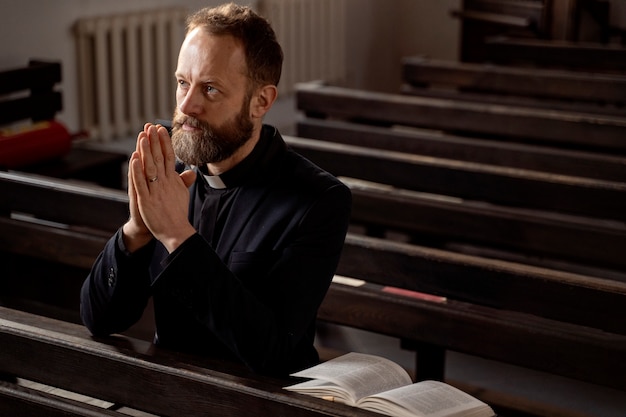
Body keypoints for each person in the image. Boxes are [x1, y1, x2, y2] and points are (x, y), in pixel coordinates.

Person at [80, 2, 351, 376]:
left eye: (210, 89)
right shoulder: (168, 168)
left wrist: (176, 235)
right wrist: (137, 230)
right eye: (182, 83)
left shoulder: (317, 200)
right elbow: (100, 319)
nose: (187, 106)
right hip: (169, 390)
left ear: (261, 101)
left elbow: (275, 354)